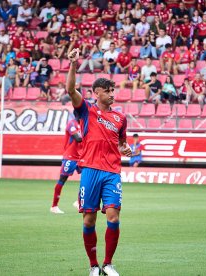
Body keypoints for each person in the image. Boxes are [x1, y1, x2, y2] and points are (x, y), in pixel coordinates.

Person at [67, 48, 131, 276]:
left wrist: (127, 149)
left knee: (113, 216)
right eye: (108, 91)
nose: (112, 94)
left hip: (112, 172)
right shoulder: (86, 111)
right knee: (88, 221)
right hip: (90, 171)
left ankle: (108, 263)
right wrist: (73, 64)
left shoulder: (120, 118)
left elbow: (122, 143)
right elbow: (70, 89)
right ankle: (93, 265)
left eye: (113, 90)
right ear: (96, 93)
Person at [50, 116, 82, 214]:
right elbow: (78, 138)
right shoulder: (72, 123)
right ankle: (54, 206)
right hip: (70, 157)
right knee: (62, 180)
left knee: (87, 178)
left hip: (81, 156)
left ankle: (78, 202)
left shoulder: (84, 125)